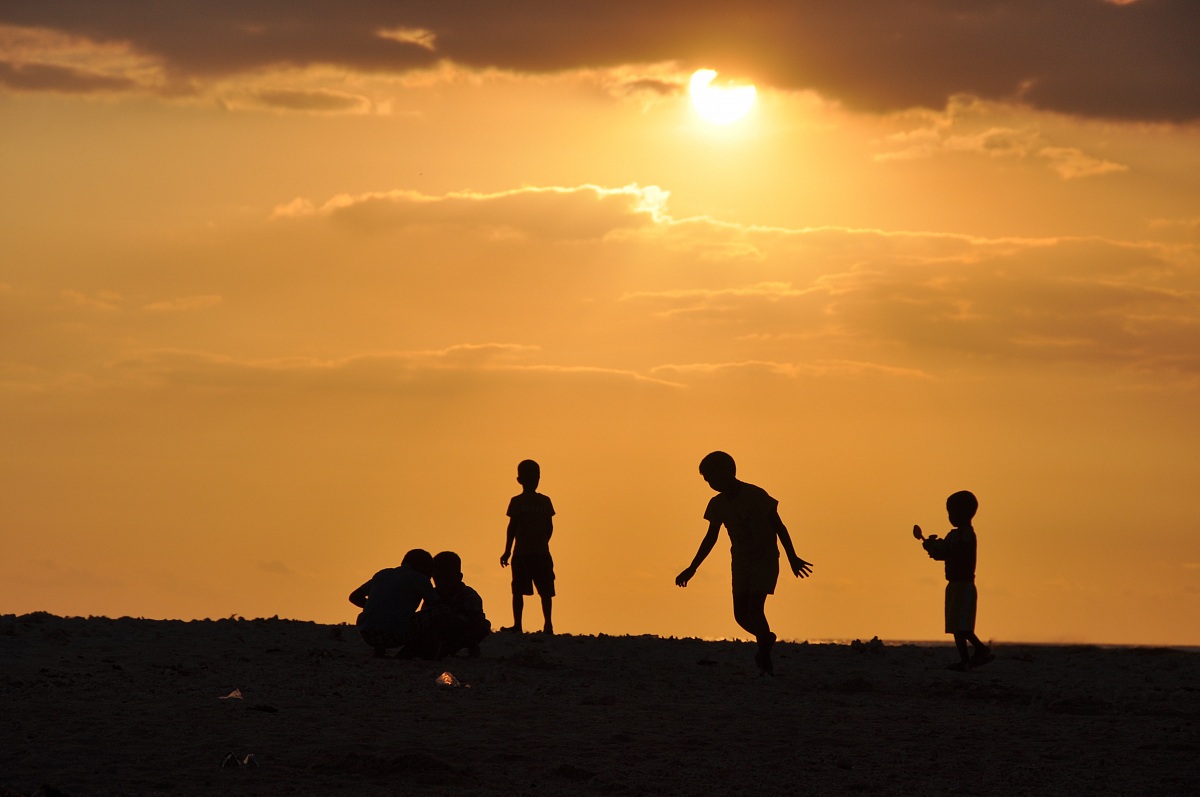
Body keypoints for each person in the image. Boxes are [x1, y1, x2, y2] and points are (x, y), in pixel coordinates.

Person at [676, 451, 813, 675]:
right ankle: (766, 639)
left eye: (711, 477)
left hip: (765, 559)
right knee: (740, 615)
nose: (709, 483)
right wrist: (692, 568)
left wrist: (793, 557)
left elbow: (779, 527)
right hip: (740, 562)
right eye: (706, 480)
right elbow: (711, 538)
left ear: (727, 473)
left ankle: (765, 660)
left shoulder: (755, 495)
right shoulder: (716, 504)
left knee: (755, 609)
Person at [915, 490, 994, 671]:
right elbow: (943, 553)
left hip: (964, 585)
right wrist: (933, 547)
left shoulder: (966, 535)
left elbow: (951, 551)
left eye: (952, 512)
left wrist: (936, 547)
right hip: (954, 584)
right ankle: (965, 660)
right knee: (956, 627)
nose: (950, 516)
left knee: (962, 626)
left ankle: (981, 649)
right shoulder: (955, 535)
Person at [348, 548, 440, 657]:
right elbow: (436, 604)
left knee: (390, 617)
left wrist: (377, 608)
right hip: (394, 634)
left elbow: (355, 597)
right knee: (441, 612)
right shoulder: (419, 578)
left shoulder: (383, 575)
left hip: (367, 633)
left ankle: (379, 650)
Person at [500, 459, 555, 634]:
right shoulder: (526, 501)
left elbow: (513, 528)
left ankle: (543, 624)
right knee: (527, 590)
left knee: (540, 590)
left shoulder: (537, 501)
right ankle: (539, 624)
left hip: (530, 552)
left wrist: (508, 550)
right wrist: (508, 550)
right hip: (530, 552)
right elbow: (514, 527)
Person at [430, 550, 491, 658]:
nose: (442, 582)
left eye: (447, 578)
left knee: (484, 625)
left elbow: (477, 621)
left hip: (462, 632)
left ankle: (468, 647)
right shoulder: (433, 595)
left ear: (459, 577)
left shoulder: (469, 596)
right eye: (438, 578)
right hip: (438, 632)